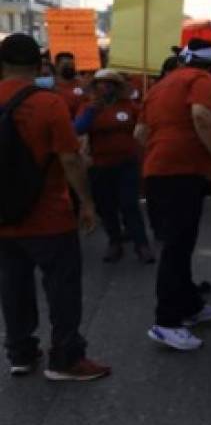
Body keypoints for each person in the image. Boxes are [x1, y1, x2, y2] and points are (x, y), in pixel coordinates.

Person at [0, 34, 110, 380]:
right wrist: (88, 203)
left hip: (3, 219)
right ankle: (65, 358)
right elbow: (70, 159)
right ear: (39, 65)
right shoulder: (49, 104)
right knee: (62, 287)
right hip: (49, 216)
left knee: (12, 286)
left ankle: (20, 353)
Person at [135, 39, 211, 351]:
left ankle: (189, 306)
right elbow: (201, 116)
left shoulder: (160, 87)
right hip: (181, 174)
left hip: (159, 173)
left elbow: (140, 134)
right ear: (210, 66)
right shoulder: (200, 80)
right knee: (176, 248)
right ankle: (166, 322)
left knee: (180, 244)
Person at [74, 69, 155, 264]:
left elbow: (147, 124)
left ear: (117, 87)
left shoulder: (129, 107)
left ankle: (141, 245)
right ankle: (114, 242)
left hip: (127, 164)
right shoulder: (88, 108)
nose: (105, 87)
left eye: (110, 83)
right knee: (106, 207)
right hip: (99, 166)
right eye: (101, 83)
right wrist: (93, 110)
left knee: (129, 204)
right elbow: (78, 128)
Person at [52, 51, 87, 118]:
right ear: (56, 66)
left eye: (72, 65)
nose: (70, 68)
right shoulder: (49, 85)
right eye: (66, 65)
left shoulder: (82, 84)